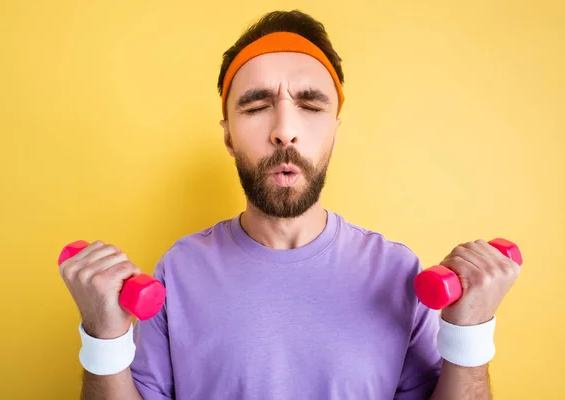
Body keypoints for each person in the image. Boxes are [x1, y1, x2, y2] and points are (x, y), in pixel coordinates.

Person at [59, 10, 521, 400]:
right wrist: (104, 338)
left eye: (310, 105)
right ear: (227, 134)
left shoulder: (397, 273)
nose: (284, 130)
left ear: (335, 131)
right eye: (257, 106)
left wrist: (469, 336)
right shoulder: (177, 272)